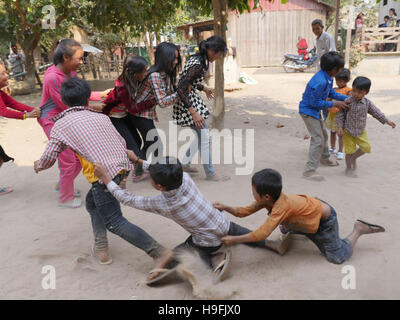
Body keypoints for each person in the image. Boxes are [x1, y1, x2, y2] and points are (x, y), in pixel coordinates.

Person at [33, 77, 174, 281]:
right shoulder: (102, 117)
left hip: (104, 175)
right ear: (86, 98)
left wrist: (38, 165)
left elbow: (48, 158)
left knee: (115, 221)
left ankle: (158, 252)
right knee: (92, 204)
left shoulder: (61, 124)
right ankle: (101, 246)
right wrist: (122, 174)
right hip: (121, 167)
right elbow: (120, 141)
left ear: (63, 100)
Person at [93, 153, 290, 283]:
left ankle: (215, 258)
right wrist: (138, 161)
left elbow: (127, 198)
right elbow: (164, 170)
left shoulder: (163, 204)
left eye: (152, 179)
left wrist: (107, 179)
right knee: (235, 229)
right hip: (222, 221)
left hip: (207, 240)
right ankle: (269, 244)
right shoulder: (184, 178)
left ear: (159, 187)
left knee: (182, 253)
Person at [214, 168, 386, 265]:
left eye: (253, 192)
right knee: (284, 226)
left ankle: (358, 229)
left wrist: (235, 239)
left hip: (324, 221)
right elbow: (243, 212)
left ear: (266, 196)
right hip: (306, 214)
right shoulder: (269, 200)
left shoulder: (280, 207)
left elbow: (262, 234)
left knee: (337, 257)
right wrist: (226, 207)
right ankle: (294, 228)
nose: (252, 195)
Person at [38, 39, 110, 208]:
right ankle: (65, 198)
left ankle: (62, 184)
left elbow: (78, 93)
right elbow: (67, 105)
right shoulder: (53, 78)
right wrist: (92, 108)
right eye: (78, 58)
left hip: (66, 117)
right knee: (69, 159)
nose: (81, 62)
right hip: (53, 120)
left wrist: (101, 94)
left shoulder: (69, 71)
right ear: (65, 57)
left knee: (78, 156)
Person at [173, 35, 229, 181]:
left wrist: (203, 87)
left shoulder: (198, 59)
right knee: (205, 137)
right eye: (218, 54)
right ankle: (210, 173)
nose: (218, 57)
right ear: (212, 51)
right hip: (188, 103)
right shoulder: (198, 64)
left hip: (189, 100)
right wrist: (194, 113)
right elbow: (181, 87)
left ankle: (184, 163)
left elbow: (188, 81)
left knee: (201, 136)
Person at [128, 42, 181, 182]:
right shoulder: (155, 75)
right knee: (156, 143)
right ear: (164, 58)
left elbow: (165, 93)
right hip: (140, 114)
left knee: (149, 142)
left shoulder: (162, 74)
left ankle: (139, 172)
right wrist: (180, 94)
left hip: (144, 113)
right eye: (173, 58)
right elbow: (163, 102)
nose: (176, 62)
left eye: (177, 58)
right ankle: (158, 174)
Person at [101, 55, 158, 186]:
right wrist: (151, 102)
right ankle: (122, 177)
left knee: (137, 143)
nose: (146, 74)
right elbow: (133, 108)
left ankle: (134, 172)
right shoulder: (124, 88)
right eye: (144, 71)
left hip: (124, 116)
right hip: (115, 118)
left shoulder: (130, 80)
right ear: (133, 73)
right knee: (133, 149)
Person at [299, 52, 349, 181]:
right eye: (341, 68)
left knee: (324, 135)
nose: (342, 70)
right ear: (334, 69)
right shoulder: (320, 81)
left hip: (314, 111)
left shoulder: (327, 77)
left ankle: (325, 158)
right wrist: (334, 103)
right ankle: (309, 171)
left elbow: (331, 92)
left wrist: (348, 98)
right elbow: (314, 102)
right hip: (308, 111)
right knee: (317, 139)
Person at [336, 76, 396, 178]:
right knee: (349, 152)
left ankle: (354, 158)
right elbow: (340, 115)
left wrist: (386, 121)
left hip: (360, 131)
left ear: (366, 92)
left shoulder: (367, 103)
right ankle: (348, 168)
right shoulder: (347, 101)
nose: (356, 94)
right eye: (354, 91)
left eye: (359, 92)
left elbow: (376, 113)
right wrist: (340, 127)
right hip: (348, 131)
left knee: (366, 147)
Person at [0, 62, 41, 195]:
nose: (7, 75)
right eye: (3, 73)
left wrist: (35, 110)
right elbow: (4, 111)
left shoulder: (1, 94)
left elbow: (14, 104)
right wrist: (26, 115)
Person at [325, 68, 352, 160]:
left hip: (340, 116)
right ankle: (333, 148)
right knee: (332, 132)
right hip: (331, 114)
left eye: (340, 81)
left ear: (346, 81)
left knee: (340, 134)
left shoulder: (349, 90)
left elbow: (350, 101)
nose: (338, 83)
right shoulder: (333, 89)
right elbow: (327, 100)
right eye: (337, 81)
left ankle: (340, 151)